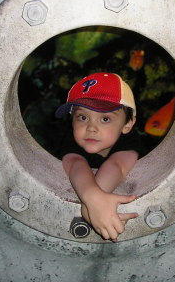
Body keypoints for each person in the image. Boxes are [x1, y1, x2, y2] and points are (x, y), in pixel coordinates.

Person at [55, 72, 144, 241]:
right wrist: (93, 199)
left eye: (104, 119)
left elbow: (116, 165)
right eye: (82, 117)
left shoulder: (129, 140)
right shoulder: (71, 139)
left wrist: (94, 206)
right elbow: (76, 164)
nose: (91, 128)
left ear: (127, 124)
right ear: (71, 120)